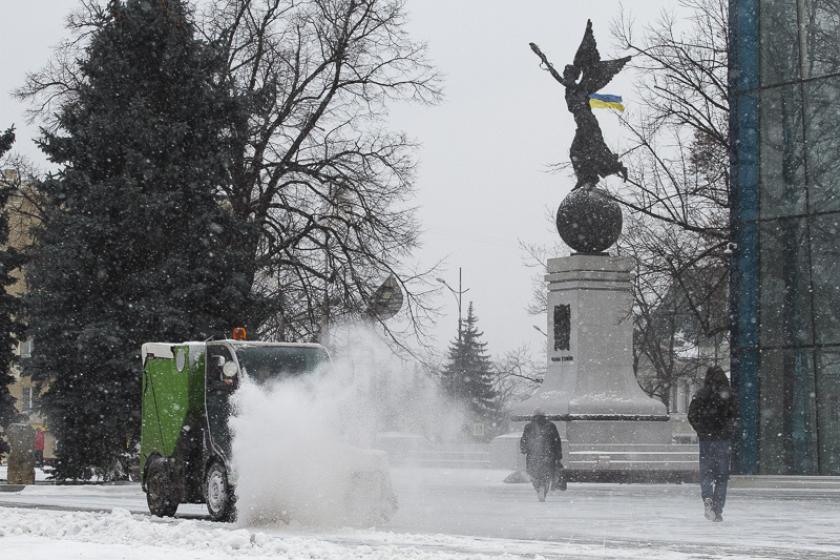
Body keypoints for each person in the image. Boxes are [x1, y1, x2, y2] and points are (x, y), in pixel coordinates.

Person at [688, 366, 738, 522]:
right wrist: (728, 429)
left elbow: (692, 415)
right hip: (723, 440)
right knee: (722, 477)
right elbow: (735, 415)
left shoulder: (701, 395)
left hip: (706, 440)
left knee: (706, 473)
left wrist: (701, 430)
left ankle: (707, 496)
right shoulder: (729, 395)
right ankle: (718, 509)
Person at [520, 408, 564, 502]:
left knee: (533, 475)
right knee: (546, 475)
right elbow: (557, 441)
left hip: (533, 456)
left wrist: (524, 449)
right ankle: (543, 487)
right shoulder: (551, 426)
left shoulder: (529, 426)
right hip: (548, 455)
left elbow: (524, 439)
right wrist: (558, 454)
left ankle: (539, 488)